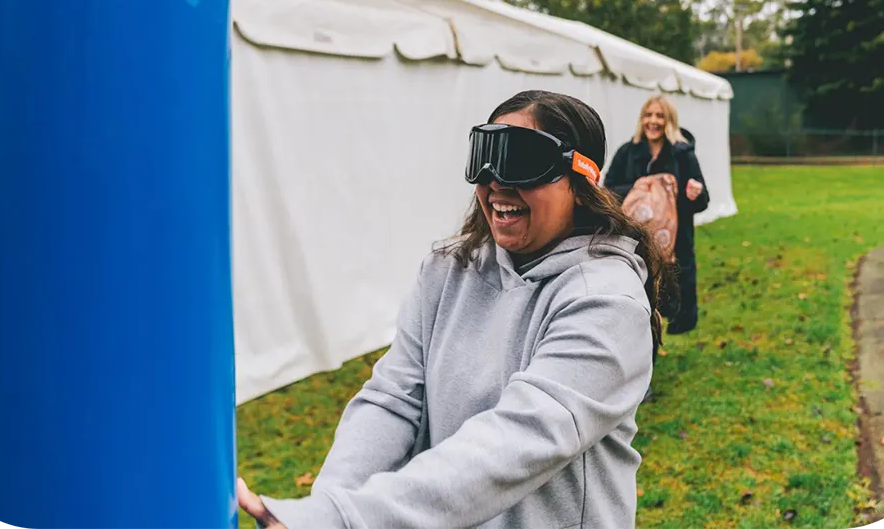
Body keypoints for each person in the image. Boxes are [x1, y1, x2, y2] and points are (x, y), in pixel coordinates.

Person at [237, 90, 673, 529]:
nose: (496, 182)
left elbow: (517, 442)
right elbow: (393, 401)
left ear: (581, 183)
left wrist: (343, 521)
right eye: (485, 156)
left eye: (521, 160)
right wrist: (327, 507)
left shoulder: (607, 301)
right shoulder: (447, 270)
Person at [604, 94, 708, 336]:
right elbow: (608, 190)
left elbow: (702, 199)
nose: (653, 121)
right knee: (638, 293)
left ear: (669, 120)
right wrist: (640, 188)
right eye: (648, 115)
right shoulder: (627, 152)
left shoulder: (683, 155)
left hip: (674, 243)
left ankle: (662, 331)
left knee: (668, 295)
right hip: (635, 238)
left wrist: (695, 193)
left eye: (660, 115)